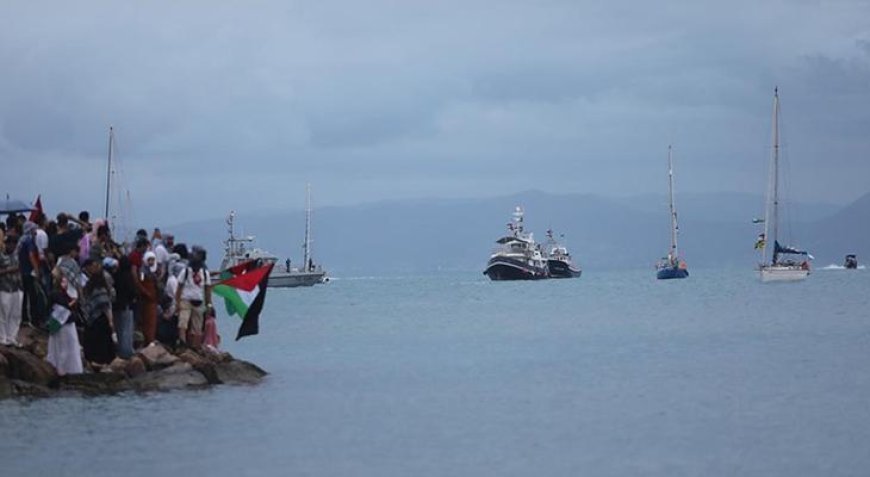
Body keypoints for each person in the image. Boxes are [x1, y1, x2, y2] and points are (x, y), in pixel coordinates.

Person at [46, 242, 83, 375]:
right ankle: (63, 370)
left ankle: (66, 370)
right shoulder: (55, 294)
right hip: (62, 323)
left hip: (66, 322)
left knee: (69, 348)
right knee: (64, 348)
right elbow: (63, 306)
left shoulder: (59, 292)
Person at [175, 247, 212, 348]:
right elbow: (179, 287)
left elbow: (208, 289)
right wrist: (177, 302)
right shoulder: (186, 271)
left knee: (197, 326)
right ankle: (183, 343)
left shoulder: (205, 273)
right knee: (183, 322)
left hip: (199, 300)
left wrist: (209, 304)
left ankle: (195, 346)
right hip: (186, 299)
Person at [81, 258, 116, 365]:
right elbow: (106, 306)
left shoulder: (89, 287)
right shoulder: (101, 289)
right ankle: (104, 362)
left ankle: (93, 361)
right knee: (103, 342)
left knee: (93, 341)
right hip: (101, 319)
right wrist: (111, 322)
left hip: (92, 320)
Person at [110, 255, 136, 358]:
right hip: (126, 305)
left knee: (118, 328)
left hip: (115, 305)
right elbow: (131, 291)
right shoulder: (128, 276)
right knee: (126, 328)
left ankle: (119, 350)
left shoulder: (116, 275)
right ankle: (126, 352)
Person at [0, 235, 23, 346]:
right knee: (4, 314)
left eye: (14, 243)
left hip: (17, 287)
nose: (12, 246)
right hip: (4, 288)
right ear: (6, 244)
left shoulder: (17, 255)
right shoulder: (1, 256)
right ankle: (3, 338)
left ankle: (12, 337)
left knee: (16, 314)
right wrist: (9, 270)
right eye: (10, 243)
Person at [137, 251, 160, 345]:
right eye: (149, 260)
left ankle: (151, 338)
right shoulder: (142, 271)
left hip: (152, 299)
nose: (151, 262)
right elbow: (141, 281)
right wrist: (146, 292)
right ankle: (148, 339)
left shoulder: (152, 271)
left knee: (152, 320)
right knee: (147, 320)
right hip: (146, 299)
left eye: (153, 260)